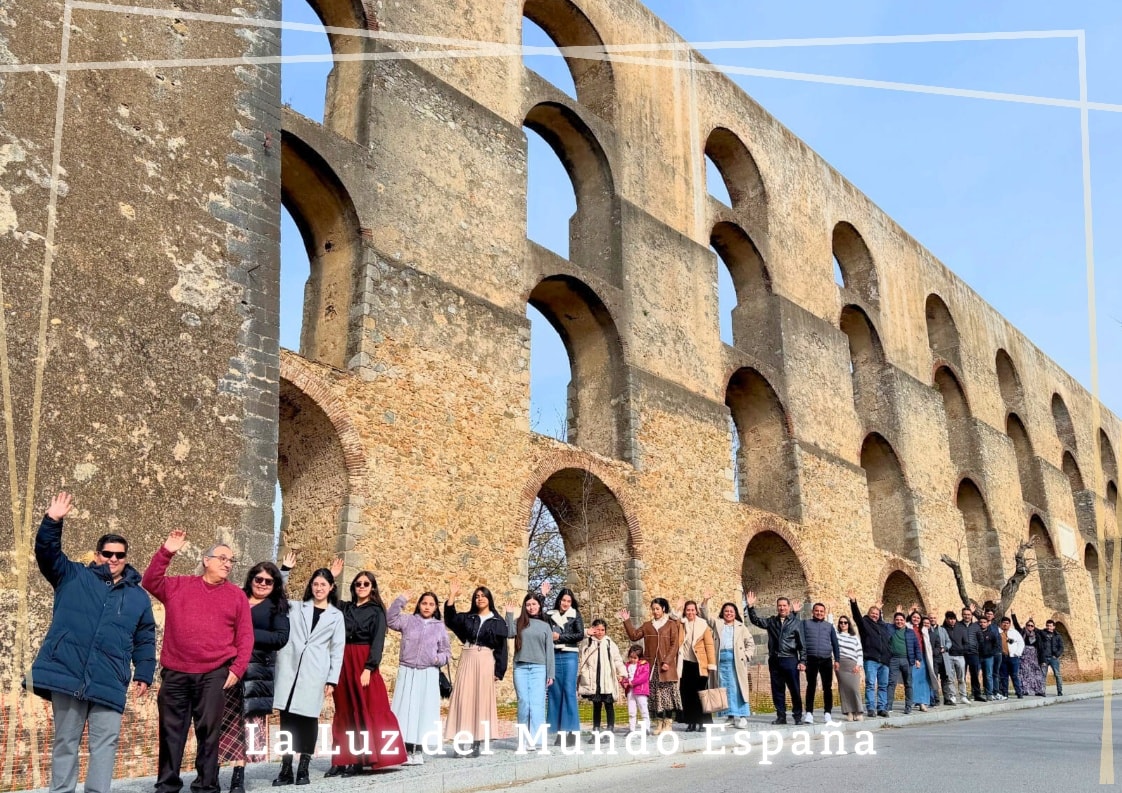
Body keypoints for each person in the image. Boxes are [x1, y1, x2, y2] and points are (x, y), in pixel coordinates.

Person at [27, 492, 156, 793]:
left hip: (109, 679)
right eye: (107, 553)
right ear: (97, 555)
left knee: (105, 746)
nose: (113, 559)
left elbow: (145, 637)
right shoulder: (71, 576)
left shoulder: (137, 597)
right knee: (65, 743)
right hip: (68, 673)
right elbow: (46, 552)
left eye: (119, 555)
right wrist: (52, 521)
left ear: (126, 558)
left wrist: (144, 673)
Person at [143, 531, 254, 793]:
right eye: (222, 558)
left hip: (214, 673)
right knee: (171, 733)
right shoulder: (179, 586)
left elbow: (246, 637)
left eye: (231, 560)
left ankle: (206, 785)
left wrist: (237, 670)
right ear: (206, 560)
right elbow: (149, 581)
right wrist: (166, 551)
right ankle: (167, 785)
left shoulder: (237, 596)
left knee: (209, 734)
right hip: (176, 674)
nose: (228, 564)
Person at [324, 562, 405, 775]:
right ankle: (341, 759)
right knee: (344, 710)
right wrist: (331, 576)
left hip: (363, 662)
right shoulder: (346, 608)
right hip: (343, 661)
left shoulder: (377, 611)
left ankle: (362, 758)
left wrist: (369, 668)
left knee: (365, 709)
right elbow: (327, 600)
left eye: (365, 583)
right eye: (358, 584)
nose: (361, 586)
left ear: (372, 587)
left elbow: (378, 641)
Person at [218, 561, 290, 793]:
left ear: (274, 585)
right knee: (218, 720)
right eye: (258, 579)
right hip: (224, 667)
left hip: (256, 673)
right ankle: (211, 774)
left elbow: (280, 638)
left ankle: (237, 779)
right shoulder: (235, 597)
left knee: (246, 725)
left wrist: (246, 634)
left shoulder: (276, 607)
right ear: (250, 579)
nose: (262, 584)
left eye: (268, 581)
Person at [271, 568, 345, 786]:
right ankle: (285, 768)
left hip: (315, 672)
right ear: (310, 586)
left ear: (331, 588)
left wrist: (332, 679)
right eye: (315, 584)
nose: (319, 588)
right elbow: (276, 594)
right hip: (289, 668)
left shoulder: (336, 615)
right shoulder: (295, 607)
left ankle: (303, 767)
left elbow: (337, 649)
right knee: (286, 721)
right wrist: (284, 571)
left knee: (308, 720)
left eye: (323, 585)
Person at [443, 582, 509, 757]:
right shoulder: (468, 617)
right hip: (468, 656)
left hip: (486, 659)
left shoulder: (498, 621)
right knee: (462, 698)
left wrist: (499, 671)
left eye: (483, 596)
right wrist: (452, 595)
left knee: (480, 701)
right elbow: (450, 619)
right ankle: (459, 742)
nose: (480, 599)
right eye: (477, 596)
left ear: (489, 599)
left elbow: (502, 648)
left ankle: (476, 742)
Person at [387, 590, 452, 765]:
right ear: (419, 604)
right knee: (406, 710)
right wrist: (401, 600)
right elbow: (390, 619)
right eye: (424, 603)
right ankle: (405, 750)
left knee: (424, 711)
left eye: (431, 604)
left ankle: (419, 751)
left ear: (435, 607)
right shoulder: (408, 620)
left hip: (428, 672)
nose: (427, 607)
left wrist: (437, 659)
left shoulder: (439, 626)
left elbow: (446, 652)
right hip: (408, 670)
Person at [619, 599, 683, 735]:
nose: (655, 611)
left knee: (667, 695)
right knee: (655, 696)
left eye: (657, 609)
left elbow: (674, 645)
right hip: (652, 666)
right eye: (653, 609)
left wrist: (667, 661)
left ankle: (668, 722)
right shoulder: (648, 625)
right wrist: (627, 621)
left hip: (666, 666)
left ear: (663, 609)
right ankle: (659, 723)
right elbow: (634, 635)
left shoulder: (671, 625)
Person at [746, 592, 806, 726]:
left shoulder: (796, 623)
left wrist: (802, 661)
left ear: (789, 607)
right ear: (777, 607)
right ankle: (781, 716)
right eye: (780, 606)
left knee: (795, 689)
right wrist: (750, 607)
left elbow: (802, 645)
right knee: (777, 690)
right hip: (775, 660)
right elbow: (756, 621)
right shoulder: (771, 621)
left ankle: (797, 716)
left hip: (790, 659)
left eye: (784, 606)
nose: (782, 608)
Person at [504, 593, 554, 746]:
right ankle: (523, 739)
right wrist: (509, 612)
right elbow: (509, 633)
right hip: (521, 667)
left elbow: (549, 651)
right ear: (525, 607)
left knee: (537, 703)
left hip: (539, 668)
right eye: (528, 605)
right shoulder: (519, 622)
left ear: (539, 606)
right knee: (524, 702)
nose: (531, 607)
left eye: (534, 604)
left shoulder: (545, 626)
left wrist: (550, 673)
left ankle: (536, 739)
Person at [700, 594, 755, 728]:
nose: (729, 613)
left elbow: (751, 643)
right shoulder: (718, 624)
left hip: (736, 661)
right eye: (726, 611)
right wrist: (705, 600)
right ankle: (730, 716)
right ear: (722, 613)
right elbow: (705, 616)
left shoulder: (741, 627)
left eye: (731, 611)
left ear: (735, 613)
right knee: (724, 689)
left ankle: (742, 716)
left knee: (738, 688)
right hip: (721, 661)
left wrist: (746, 655)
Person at [544, 585, 585, 746]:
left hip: (569, 655)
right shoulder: (549, 615)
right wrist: (543, 596)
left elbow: (579, 635)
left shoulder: (575, 615)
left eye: (568, 601)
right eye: (563, 600)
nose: (565, 603)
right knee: (555, 693)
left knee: (568, 692)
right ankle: (559, 732)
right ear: (559, 600)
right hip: (554, 655)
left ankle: (572, 732)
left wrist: (559, 637)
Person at [578, 618, 626, 737]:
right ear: (593, 629)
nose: (600, 632)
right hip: (593, 680)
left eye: (602, 630)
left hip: (606, 679)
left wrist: (622, 673)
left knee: (609, 705)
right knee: (596, 705)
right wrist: (579, 674)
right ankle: (596, 729)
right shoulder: (587, 642)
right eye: (597, 629)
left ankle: (610, 728)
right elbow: (580, 659)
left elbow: (617, 659)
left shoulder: (609, 643)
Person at [848, 593, 891, 718]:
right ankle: (871, 708)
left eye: (877, 614)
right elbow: (857, 617)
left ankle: (882, 708)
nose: (875, 615)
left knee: (883, 685)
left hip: (884, 660)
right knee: (871, 684)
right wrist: (853, 602)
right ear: (868, 613)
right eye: (873, 613)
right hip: (871, 659)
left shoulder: (882, 625)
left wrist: (889, 654)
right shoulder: (864, 624)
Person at [676, 601, 716, 732]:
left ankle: (703, 722)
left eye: (693, 610)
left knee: (702, 694)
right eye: (688, 610)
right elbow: (673, 618)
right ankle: (691, 722)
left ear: (696, 611)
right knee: (687, 695)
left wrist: (711, 664)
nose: (690, 612)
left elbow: (709, 646)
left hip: (700, 664)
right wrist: (677, 608)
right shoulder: (681, 624)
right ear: (685, 611)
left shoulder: (703, 625)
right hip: (686, 663)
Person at [801, 602, 840, 724]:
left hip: (826, 659)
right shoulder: (805, 624)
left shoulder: (829, 626)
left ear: (824, 613)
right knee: (811, 686)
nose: (819, 613)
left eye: (821, 611)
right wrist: (802, 660)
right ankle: (809, 714)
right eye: (816, 611)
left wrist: (837, 660)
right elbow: (801, 642)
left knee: (827, 687)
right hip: (811, 658)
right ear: (813, 612)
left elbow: (835, 644)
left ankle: (828, 714)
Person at [885, 610, 918, 715]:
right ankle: (888, 705)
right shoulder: (890, 629)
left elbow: (916, 646)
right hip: (893, 659)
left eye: (901, 620)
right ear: (894, 621)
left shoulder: (910, 632)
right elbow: (882, 622)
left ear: (905, 621)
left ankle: (908, 706)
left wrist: (918, 659)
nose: (899, 622)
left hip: (907, 660)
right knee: (891, 683)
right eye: (897, 620)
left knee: (908, 683)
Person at [834, 614, 863, 721]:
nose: (843, 624)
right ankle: (849, 712)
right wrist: (830, 614)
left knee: (854, 688)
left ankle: (858, 711)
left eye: (845, 622)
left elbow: (859, 652)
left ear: (848, 624)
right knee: (844, 689)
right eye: (841, 622)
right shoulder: (836, 635)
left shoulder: (854, 637)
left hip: (852, 663)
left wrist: (859, 664)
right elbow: (830, 626)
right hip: (841, 664)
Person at [1013, 614, 1046, 696]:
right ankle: (1024, 690)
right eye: (1028, 625)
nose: (1030, 627)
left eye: (1032, 626)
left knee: (1035, 672)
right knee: (1024, 673)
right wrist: (1013, 615)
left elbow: (1041, 647)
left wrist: (1043, 660)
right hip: (1024, 656)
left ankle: (1038, 690)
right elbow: (1016, 625)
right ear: (1026, 626)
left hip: (1033, 656)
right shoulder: (1022, 632)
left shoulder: (1037, 635)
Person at [622, 646, 651, 734]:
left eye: (635, 658)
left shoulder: (644, 664)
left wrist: (633, 682)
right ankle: (632, 729)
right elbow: (624, 676)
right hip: (630, 691)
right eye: (631, 657)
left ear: (639, 657)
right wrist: (624, 683)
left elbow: (643, 677)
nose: (633, 659)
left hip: (641, 690)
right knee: (631, 710)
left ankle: (646, 728)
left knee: (643, 709)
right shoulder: (626, 665)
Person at [960, 607, 984, 702]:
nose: (967, 616)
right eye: (965, 614)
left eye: (968, 614)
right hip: (962, 654)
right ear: (962, 615)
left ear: (971, 615)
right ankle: (964, 695)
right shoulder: (958, 625)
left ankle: (977, 694)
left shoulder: (976, 626)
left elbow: (981, 639)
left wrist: (978, 649)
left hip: (974, 654)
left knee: (974, 675)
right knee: (962, 675)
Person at [942, 611, 967, 705]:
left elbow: (966, 641)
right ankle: (952, 696)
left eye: (953, 619)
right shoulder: (943, 629)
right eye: (950, 619)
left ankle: (963, 696)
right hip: (948, 656)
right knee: (950, 678)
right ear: (946, 619)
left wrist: (963, 649)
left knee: (961, 677)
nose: (952, 621)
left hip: (960, 656)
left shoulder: (960, 628)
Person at [907, 612, 930, 712]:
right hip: (912, 657)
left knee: (923, 681)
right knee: (913, 680)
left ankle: (923, 702)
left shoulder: (923, 630)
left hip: (922, 657)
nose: (916, 619)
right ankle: (913, 701)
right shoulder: (907, 627)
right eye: (914, 617)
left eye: (918, 617)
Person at [997, 616, 1025, 699]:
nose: (1005, 624)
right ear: (1001, 624)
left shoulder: (1014, 632)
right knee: (1003, 676)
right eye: (1004, 623)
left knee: (1014, 675)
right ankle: (1005, 693)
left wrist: (1017, 653)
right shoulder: (997, 632)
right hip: (1002, 657)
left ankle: (1019, 692)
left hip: (1013, 657)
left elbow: (1021, 643)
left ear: (1009, 624)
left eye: (1007, 623)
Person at [1039, 619, 1065, 696]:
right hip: (1044, 658)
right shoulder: (1042, 633)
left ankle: (1059, 691)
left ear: (1054, 627)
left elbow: (1061, 647)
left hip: (1054, 658)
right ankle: (1042, 691)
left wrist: (1056, 655)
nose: (1048, 627)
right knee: (1043, 675)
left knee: (1057, 675)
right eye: (1047, 625)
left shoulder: (1058, 636)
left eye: (1050, 626)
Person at [977, 615, 999, 701]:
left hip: (988, 658)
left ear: (987, 624)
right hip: (978, 657)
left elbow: (996, 645)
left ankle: (989, 693)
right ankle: (976, 693)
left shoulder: (991, 634)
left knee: (988, 676)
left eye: (984, 622)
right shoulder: (976, 633)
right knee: (976, 675)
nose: (982, 624)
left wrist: (991, 653)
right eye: (981, 622)